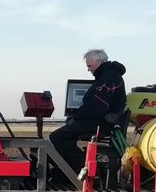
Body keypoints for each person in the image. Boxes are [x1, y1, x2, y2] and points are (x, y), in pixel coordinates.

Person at [49, 49, 127, 180]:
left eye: (89, 66)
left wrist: (77, 116)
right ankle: (73, 170)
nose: (88, 70)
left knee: (57, 137)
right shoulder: (108, 76)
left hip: (100, 123)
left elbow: (98, 107)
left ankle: (76, 171)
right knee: (66, 137)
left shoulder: (109, 77)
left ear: (99, 62)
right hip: (98, 121)